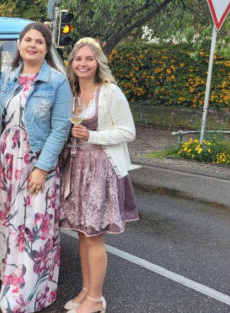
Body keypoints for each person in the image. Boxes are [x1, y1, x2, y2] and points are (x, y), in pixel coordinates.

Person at [0, 22, 72, 312]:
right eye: (28, 40)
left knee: (33, 227)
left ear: (46, 48)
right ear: (20, 45)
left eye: (39, 41)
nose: (32, 44)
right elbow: (0, 121)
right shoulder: (10, 77)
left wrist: (42, 168)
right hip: (7, 163)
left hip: (36, 163)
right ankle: (11, 279)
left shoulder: (57, 82)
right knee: (10, 223)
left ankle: (28, 291)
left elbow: (61, 129)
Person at [60, 37, 138, 313]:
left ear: (98, 62)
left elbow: (128, 131)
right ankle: (85, 290)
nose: (83, 63)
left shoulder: (110, 92)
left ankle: (96, 298)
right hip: (77, 168)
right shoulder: (71, 92)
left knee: (94, 236)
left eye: (88, 58)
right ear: (71, 63)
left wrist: (92, 134)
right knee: (82, 234)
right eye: (78, 59)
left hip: (101, 171)